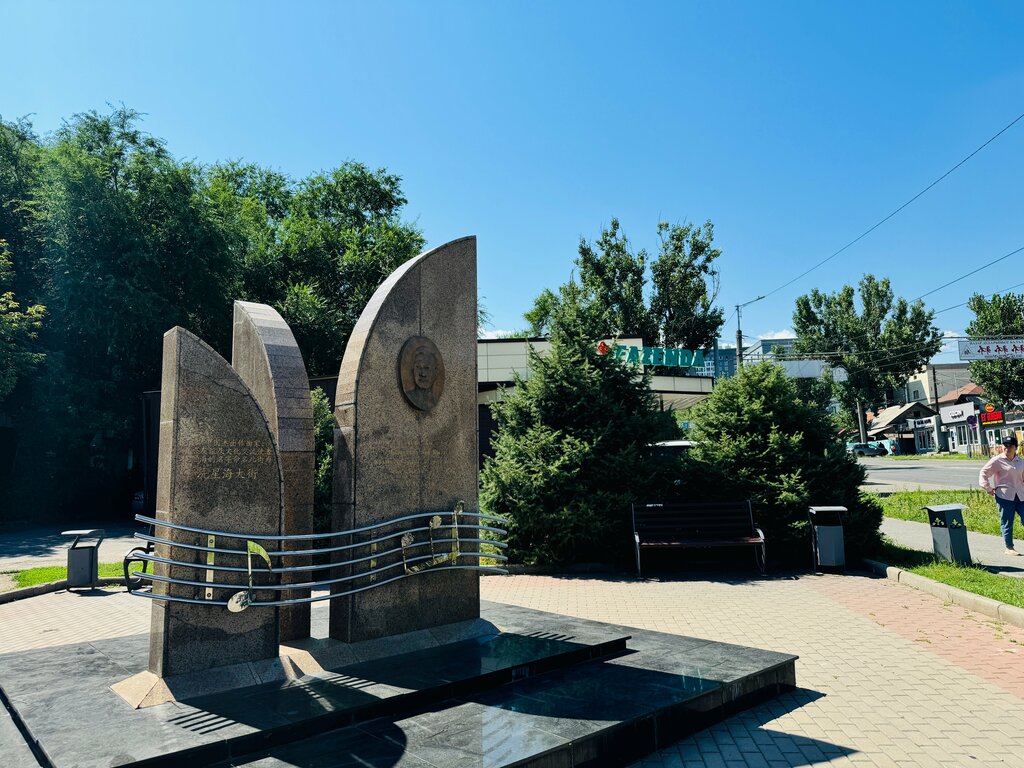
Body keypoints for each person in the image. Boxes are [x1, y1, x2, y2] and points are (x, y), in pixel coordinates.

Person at [978, 435, 1024, 555]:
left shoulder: (1020, 461)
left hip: (1021, 496)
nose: (1007, 448)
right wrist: (988, 488)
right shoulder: (997, 460)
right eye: (1005, 445)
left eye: (1010, 446)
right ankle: (1009, 547)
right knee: (1007, 521)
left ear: (1016, 448)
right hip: (1004, 496)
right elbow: (983, 473)